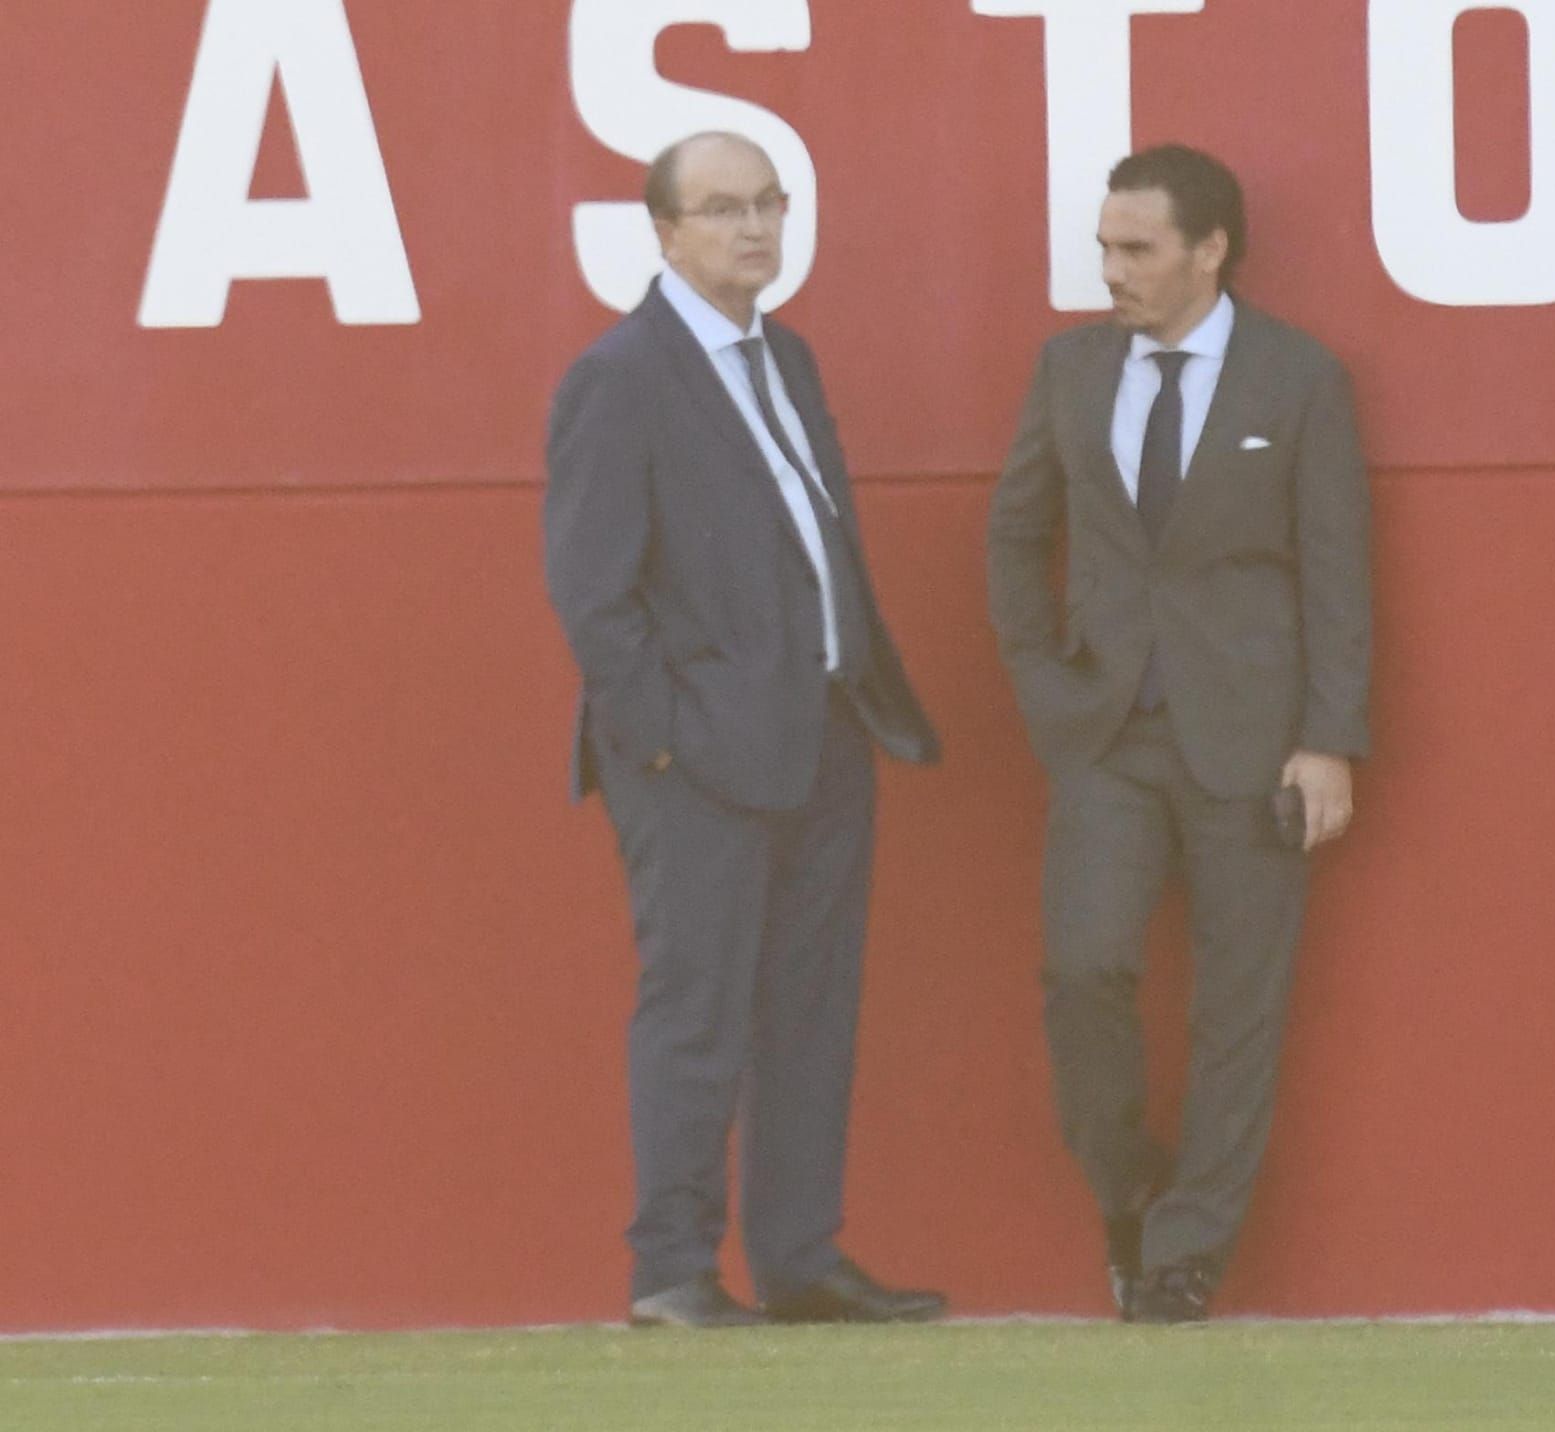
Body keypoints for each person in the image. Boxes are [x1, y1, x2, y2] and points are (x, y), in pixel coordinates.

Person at [544, 131, 945, 1327]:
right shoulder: (621, 375)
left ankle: (798, 1256)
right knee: (698, 1010)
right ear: (664, 232)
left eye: (768, 202)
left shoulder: (786, 356)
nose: (754, 226)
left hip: (822, 730)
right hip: (697, 757)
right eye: (722, 208)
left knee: (811, 1012)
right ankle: (672, 1269)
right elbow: (592, 591)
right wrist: (664, 739)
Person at [986, 144, 1371, 1323]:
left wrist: (1328, 738)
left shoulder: (1297, 377)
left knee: (1236, 1009)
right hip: (1105, 735)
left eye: (1136, 249)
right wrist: (1043, 681)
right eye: (1104, 247)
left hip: (1252, 744)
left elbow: (1336, 569)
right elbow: (1014, 534)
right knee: (1082, 969)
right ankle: (1127, 1189)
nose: (1111, 270)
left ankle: (1185, 1252)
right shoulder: (1067, 370)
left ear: (1209, 251)